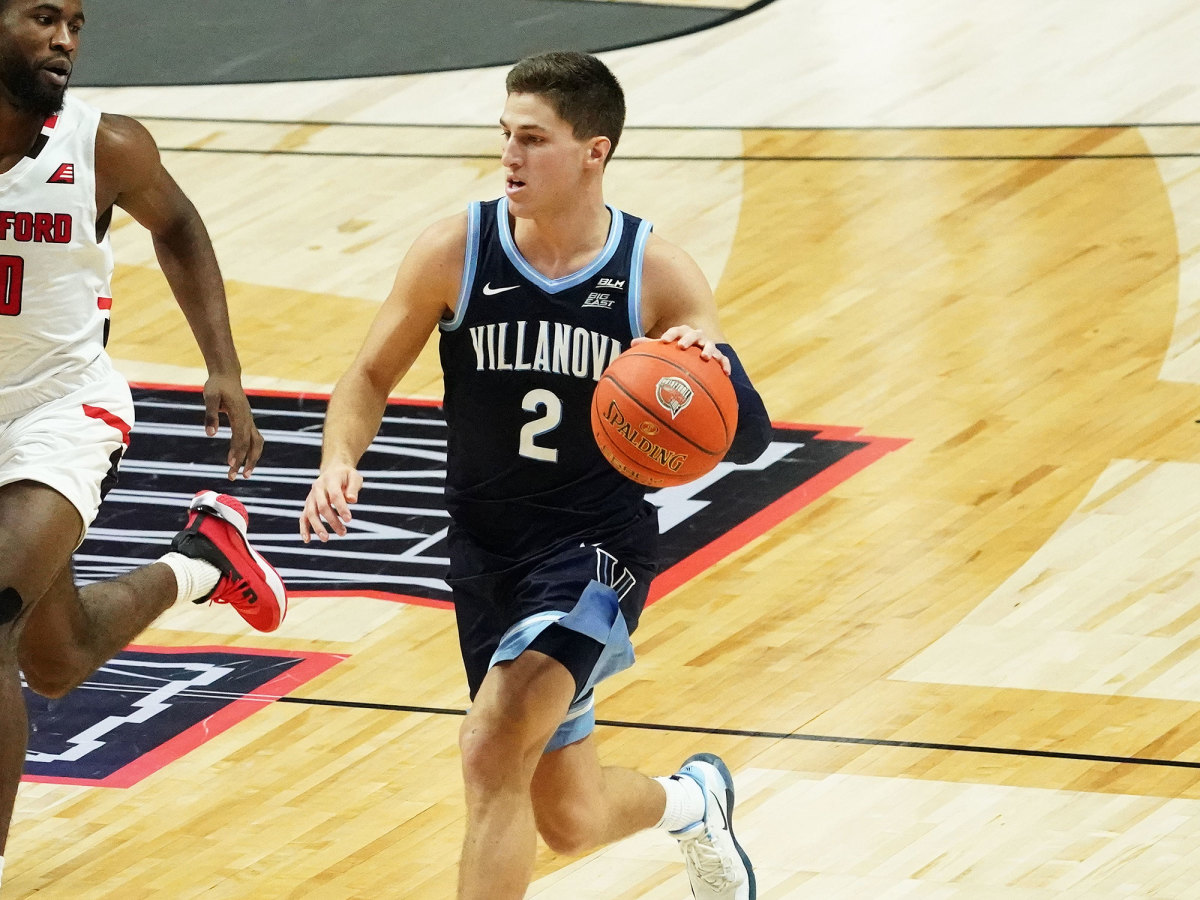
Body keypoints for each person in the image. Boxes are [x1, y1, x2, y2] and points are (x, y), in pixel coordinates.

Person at [299, 50, 771, 900]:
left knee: (488, 751)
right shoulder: (457, 248)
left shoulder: (653, 272)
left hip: (594, 551)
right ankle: (693, 803)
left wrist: (714, 372)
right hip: (485, 553)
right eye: (505, 136)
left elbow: (747, 436)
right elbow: (367, 377)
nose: (509, 158)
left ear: (595, 151)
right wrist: (340, 459)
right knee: (569, 818)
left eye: (532, 139)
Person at [0, 0, 289, 884]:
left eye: (78, 24)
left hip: (62, 411)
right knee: (58, 658)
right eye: (44, 17)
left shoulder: (104, 145)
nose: (66, 41)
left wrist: (224, 368)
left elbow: (181, 228)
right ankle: (203, 559)